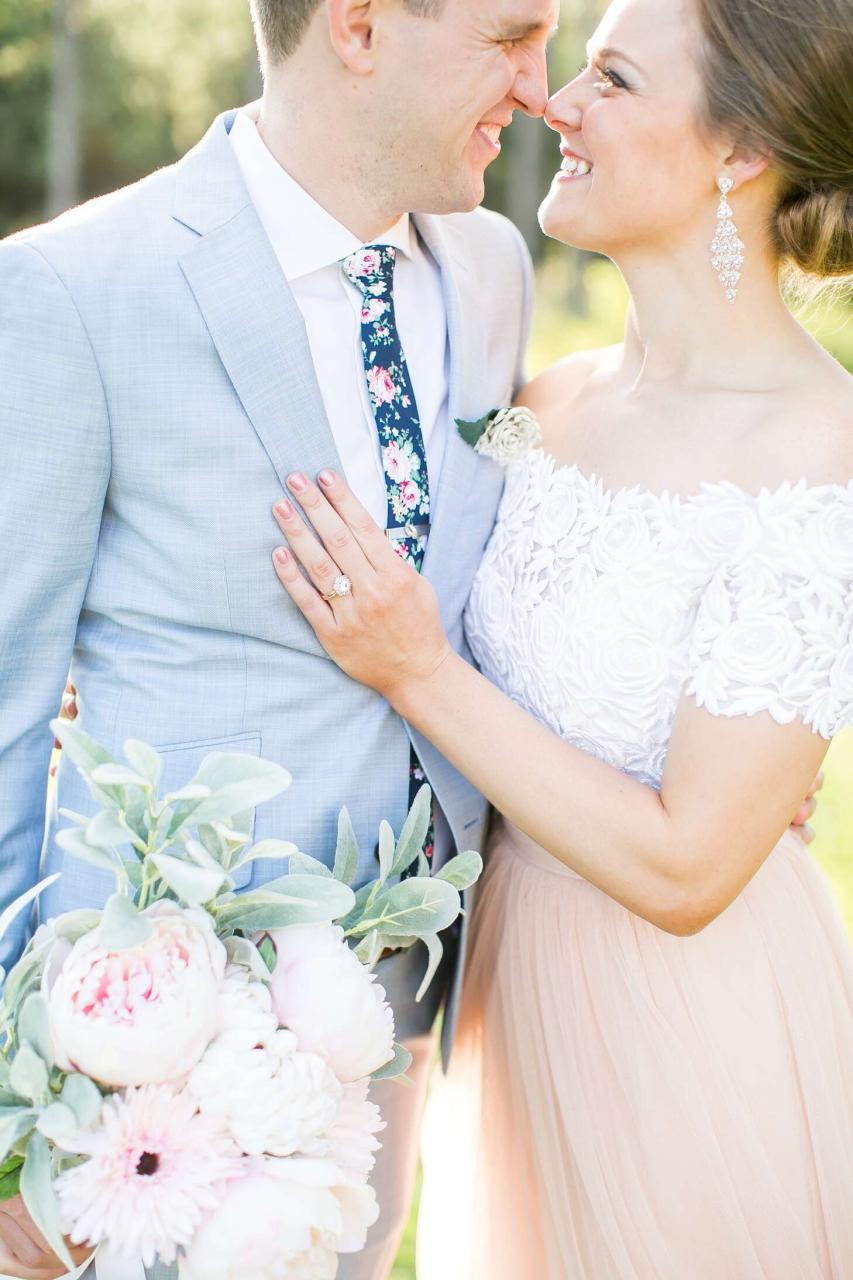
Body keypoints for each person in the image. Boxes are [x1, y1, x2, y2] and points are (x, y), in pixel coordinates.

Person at [269, 0, 853, 1272]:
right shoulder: (543, 405)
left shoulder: (823, 452)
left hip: (687, 1040)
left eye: (613, 78)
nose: (555, 102)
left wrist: (418, 670)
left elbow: (691, 869)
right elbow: (412, 519)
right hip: (509, 1009)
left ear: (741, 147)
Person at [0, 1, 558, 1276]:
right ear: (358, 26)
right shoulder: (76, 287)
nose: (538, 86)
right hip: (142, 1060)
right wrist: (7, 1099)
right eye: (509, 36)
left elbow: (499, 561)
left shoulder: (492, 269)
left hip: (412, 1004)